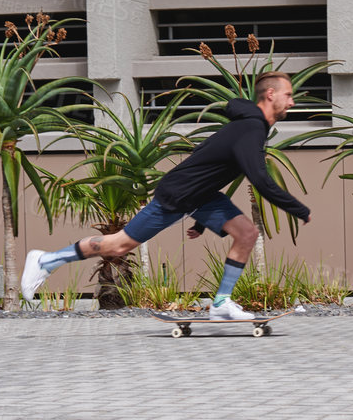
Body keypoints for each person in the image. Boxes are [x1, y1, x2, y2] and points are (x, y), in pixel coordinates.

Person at [21, 70, 312, 319]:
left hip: (200, 196)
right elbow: (260, 180)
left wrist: (202, 220)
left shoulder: (250, 127)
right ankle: (46, 260)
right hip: (178, 195)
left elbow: (210, 165)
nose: (292, 101)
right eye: (288, 95)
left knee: (246, 233)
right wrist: (299, 209)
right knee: (118, 246)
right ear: (270, 94)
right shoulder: (250, 128)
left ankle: (221, 303)